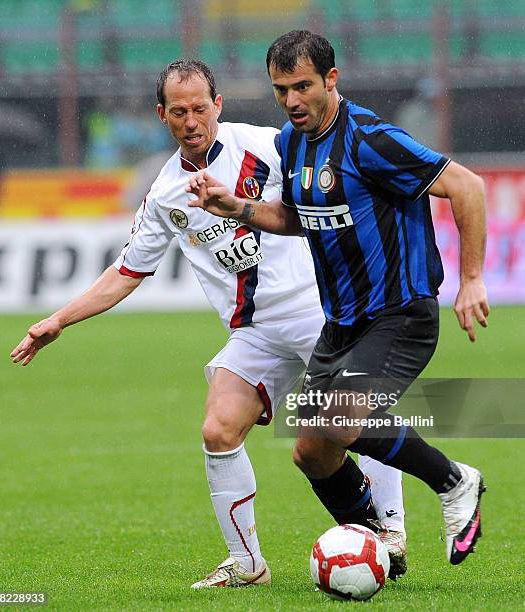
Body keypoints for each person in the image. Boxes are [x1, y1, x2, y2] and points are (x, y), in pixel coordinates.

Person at [11, 60, 408, 588]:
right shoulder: (165, 194)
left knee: (355, 419)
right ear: (162, 115)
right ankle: (248, 563)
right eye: (179, 111)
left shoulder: (268, 146)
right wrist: (57, 320)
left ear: (217, 104)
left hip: (322, 313)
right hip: (256, 333)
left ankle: (392, 531)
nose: (191, 120)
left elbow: (334, 178)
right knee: (218, 430)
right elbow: (127, 272)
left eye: (200, 107)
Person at [186, 31, 489, 566]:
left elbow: (467, 187)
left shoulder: (370, 138)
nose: (292, 101)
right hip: (342, 321)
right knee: (313, 451)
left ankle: (454, 481)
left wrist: (471, 280)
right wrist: (237, 206)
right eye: (281, 90)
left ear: (331, 79)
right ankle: (376, 545)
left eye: (303, 86)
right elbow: (294, 218)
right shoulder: (290, 142)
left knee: (339, 421)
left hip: (400, 311)